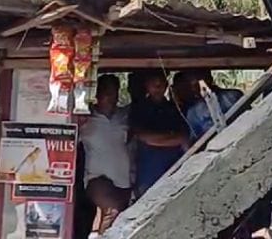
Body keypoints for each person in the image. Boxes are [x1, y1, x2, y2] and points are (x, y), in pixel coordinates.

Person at [78, 75, 131, 232]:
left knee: (120, 218)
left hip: (123, 178)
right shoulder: (86, 118)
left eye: (113, 92)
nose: (110, 97)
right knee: (112, 211)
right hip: (95, 176)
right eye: (106, 92)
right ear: (97, 94)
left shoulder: (124, 116)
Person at [127, 71, 189, 198]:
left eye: (161, 83)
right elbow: (143, 137)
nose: (157, 87)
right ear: (146, 84)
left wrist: (162, 139)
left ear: (166, 84)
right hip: (148, 171)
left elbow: (184, 137)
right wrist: (173, 139)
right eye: (154, 83)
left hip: (174, 168)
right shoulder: (138, 109)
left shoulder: (175, 108)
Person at [172, 71, 244, 141]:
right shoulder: (193, 113)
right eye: (195, 85)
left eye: (202, 81)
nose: (201, 86)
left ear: (210, 79)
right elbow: (197, 139)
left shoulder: (233, 96)